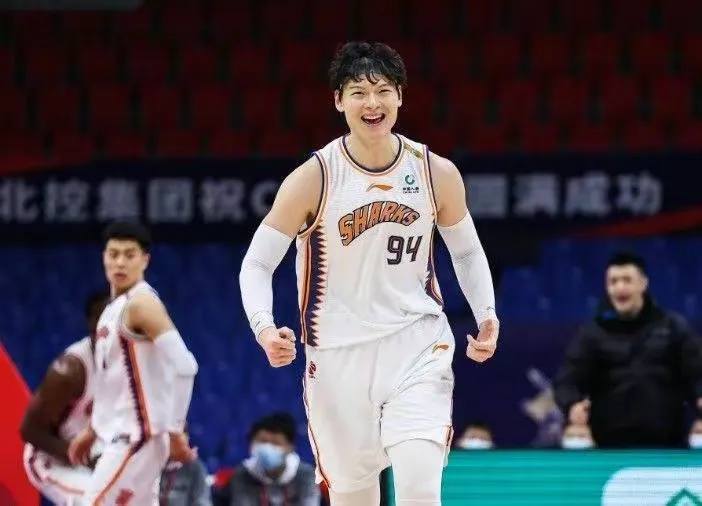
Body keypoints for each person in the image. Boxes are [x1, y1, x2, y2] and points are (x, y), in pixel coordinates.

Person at [239, 41, 499, 506]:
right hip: (337, 356)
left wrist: (486, 313)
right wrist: (263, 326)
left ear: (400, 95)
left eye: (382, 90)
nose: (372, 103)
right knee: (354, 497)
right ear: (339, 100)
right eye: (358, 92)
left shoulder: (435, 172)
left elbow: (467, 252)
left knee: (420, 490)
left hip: (416, 345)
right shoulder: (314, 178)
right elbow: (258, 263)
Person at [67, 221, 199, 505]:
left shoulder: (141, 305)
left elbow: (186, 366)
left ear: (145, 260)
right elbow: (111, 382)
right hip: (127, 435)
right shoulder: (112, 309)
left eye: (129, 255)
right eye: (113, 254)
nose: (120, 262)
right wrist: (92, 429)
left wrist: (175, 431)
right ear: (103, 257)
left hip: (138, 437)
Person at [554, 250, 702, 448]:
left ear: (643, 284)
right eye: (613, 282)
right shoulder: (592, 333)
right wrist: (572, 404)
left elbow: (697, 373)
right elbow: (567, 381)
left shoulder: (674, 327)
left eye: (627, 280)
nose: (619, 287)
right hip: (608, 447)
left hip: (668, 446)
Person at [20, 290, 110, 505]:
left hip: (95, 450)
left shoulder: (130, 362)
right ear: (92, 324)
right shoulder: (70, 372)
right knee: (104, 500)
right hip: (51, 458)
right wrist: (83, 458)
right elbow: (29, 430)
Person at [214, 412, 319, 506]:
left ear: (290, 447)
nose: (268, 447)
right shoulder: (241, 475)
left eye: (275, 443)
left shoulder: (306, 475)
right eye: (263, 441)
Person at [159, 422, 212, 506]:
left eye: (178, 435)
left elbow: (202, 501)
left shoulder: (196, 467)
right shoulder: (156, 464)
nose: (172, 440)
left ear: (187, 438)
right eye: (170, 436)